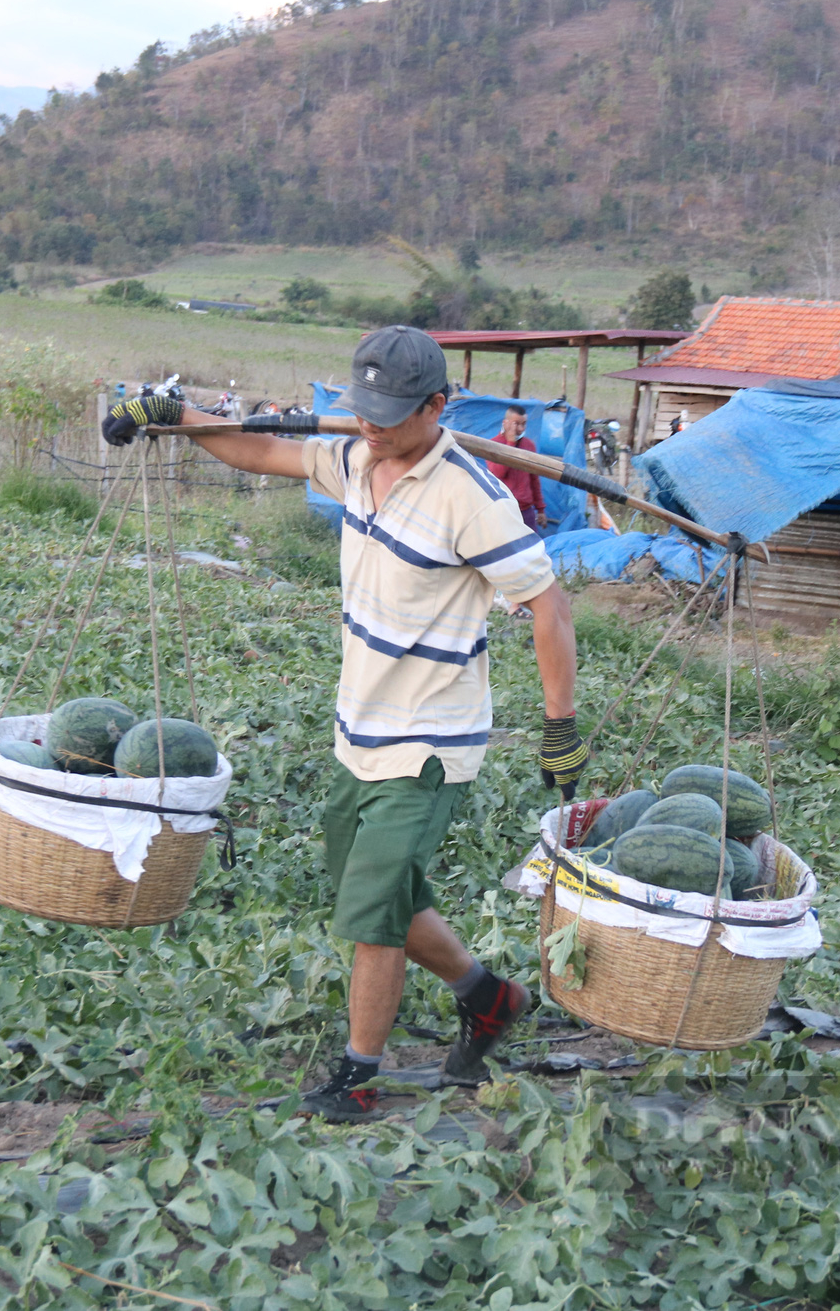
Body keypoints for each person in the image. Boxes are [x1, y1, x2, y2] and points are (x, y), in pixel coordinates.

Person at [103, 326, 589, 1121]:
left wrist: (559, 722)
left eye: (392, 412)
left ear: (439, 405)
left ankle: (359, 1074)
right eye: (363, 407)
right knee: (375, 894)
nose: (371, 423)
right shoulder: (356, 457)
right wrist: (179, 414)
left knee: (371, 917)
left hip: (429, 741)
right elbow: (259, 452)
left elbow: (548, 602)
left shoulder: (473, 498)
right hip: (357, 727)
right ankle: (488, 995)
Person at [484, 404, 546, 533]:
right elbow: (499, 472)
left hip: (525, 510)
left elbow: (534, 479)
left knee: (531, 548)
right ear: (505, 423)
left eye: (523, 424)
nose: (520, 428)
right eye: (516, 424)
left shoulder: (528, 445)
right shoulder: (492, 445)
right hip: (503, 510)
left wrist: (540, 509)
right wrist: (511, 444)